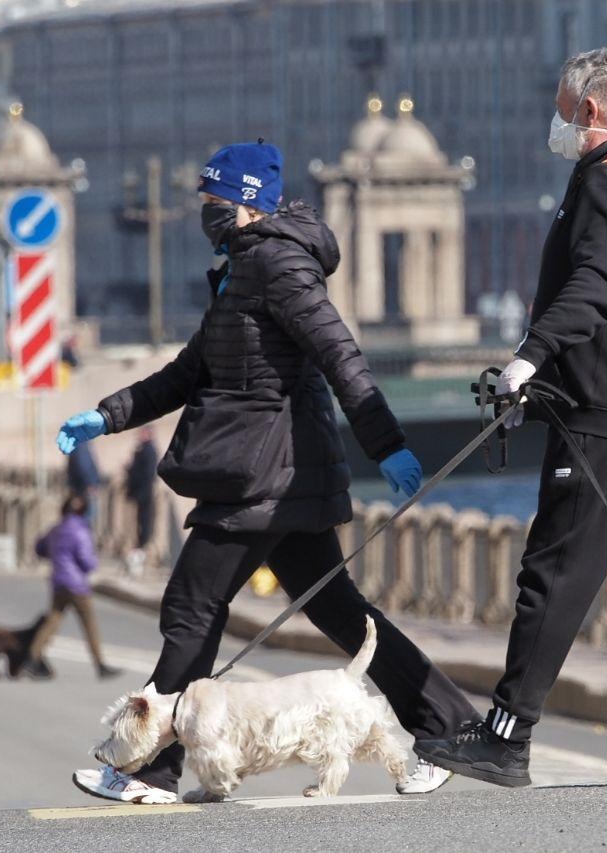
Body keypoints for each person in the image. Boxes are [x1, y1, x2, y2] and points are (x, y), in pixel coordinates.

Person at [60, 141, 479, 804]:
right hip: (274, 471)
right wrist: (107, 415)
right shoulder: (240, 271)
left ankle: (153, 769)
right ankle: (451, 726)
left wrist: (386, 443)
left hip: (264, 474)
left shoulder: (278, 264)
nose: (204, 210)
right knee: (339, 611)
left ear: (248, 203)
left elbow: (341, 354)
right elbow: (189, 372)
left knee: (192, 606)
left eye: (213, 199)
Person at [416, 47, 607, 786]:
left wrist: (529, 358)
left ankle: (506, 735)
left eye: (561, 109)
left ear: (589, 112)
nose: (555, 123)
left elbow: (598, 282)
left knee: (552, 573)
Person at [25, 494, 122, 680]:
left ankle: (31, 659)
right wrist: (92, 563)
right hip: (77, 585)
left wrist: (56, 557)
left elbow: (39, 547)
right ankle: (100, 664)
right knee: (89, 625)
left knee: (52, 621)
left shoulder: (55, 529)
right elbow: (87, 561)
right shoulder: (81, 531)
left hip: (58, 582)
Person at [124, 426, 159, 577]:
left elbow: (147, 474)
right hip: (139, 493)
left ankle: (142, 555)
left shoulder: (149, 450)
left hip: (144, 494)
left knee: (144, 525)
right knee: (139, 525)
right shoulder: (143, 449)